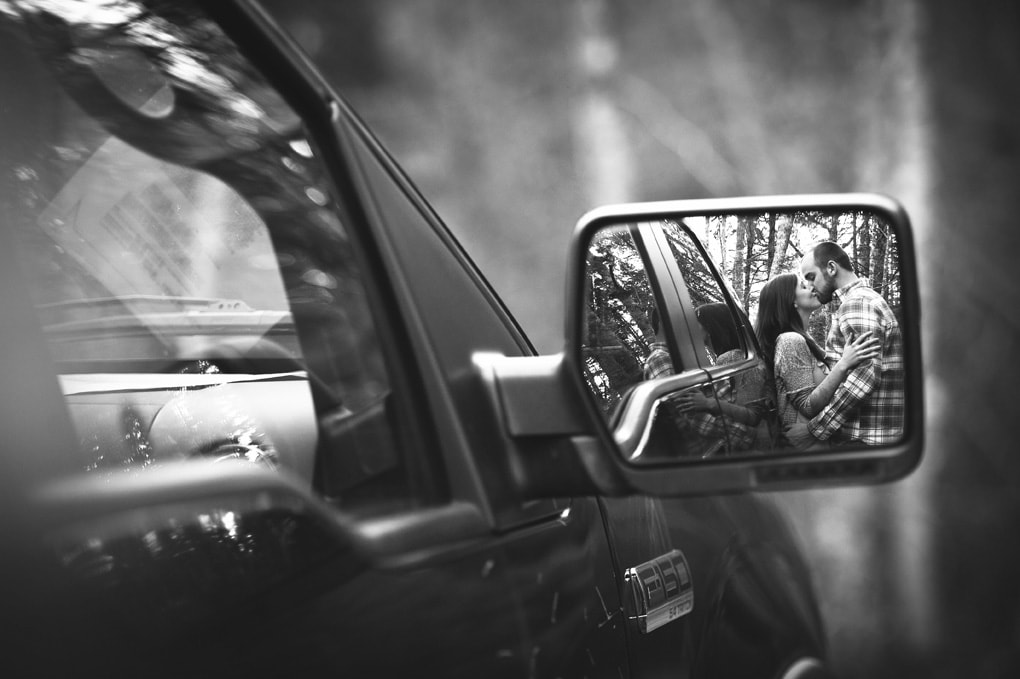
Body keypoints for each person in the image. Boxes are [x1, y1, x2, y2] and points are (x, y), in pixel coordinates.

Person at [789, 241, 905, 446]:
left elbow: (864, 378)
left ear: (831, 268)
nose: (808, 286)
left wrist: (814, 430)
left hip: (865, 439)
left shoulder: (857, 303)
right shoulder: (865, 300)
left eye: (811, 277)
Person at [755, 272, 880, 450]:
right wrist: (843, 364)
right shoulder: (790, 340)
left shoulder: (805, 340)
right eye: (803, 286)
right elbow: (807, 406)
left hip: (820, 445)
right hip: (806, 449)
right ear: (792, 301)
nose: (812, 287)